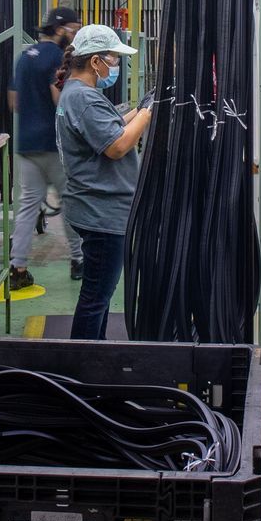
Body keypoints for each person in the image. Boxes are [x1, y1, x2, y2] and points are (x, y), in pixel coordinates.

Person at [55, 25, 152, 340]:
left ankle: (94, 354)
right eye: (112, 58)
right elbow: (117, 145)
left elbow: (110, 126)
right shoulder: (83, 98)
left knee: (99, 295)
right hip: (102, 214)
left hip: (100, 209)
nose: (115, 65)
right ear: (95, 62)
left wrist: (140, 108)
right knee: (95, 298)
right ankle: (83, 364)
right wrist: (148, 115)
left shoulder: (80, 94)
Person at [7, 7, 85, 288]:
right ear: (60, 28)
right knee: (70, 202)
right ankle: (78, 260)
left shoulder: (24, 57)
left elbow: (13, 101)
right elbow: (60, 100)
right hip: (54, 145)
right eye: (73, 29)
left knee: (27, 206)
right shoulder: (57, 57)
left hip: (26, 144)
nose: (74, 35)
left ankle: (17, 268)